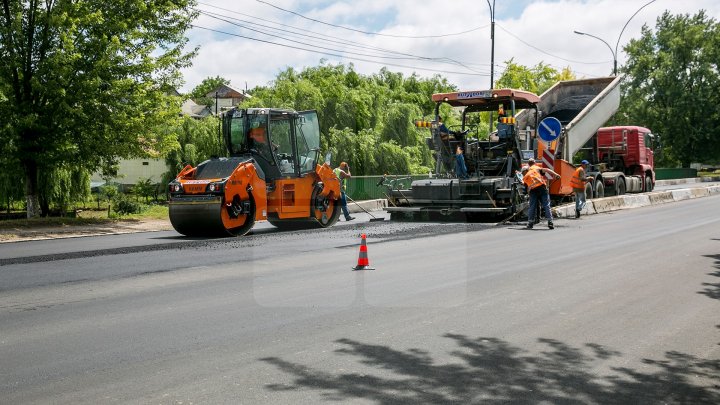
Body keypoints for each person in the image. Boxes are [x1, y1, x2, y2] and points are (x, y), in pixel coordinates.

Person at [522, 159, 560, 229]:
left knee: (532, 206)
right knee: (546, 205)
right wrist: (556, 174)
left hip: (533, 191)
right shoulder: (536, 168)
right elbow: (546, 170)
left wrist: (529, 194)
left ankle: (530, 223)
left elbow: (527, 188)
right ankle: (550, 222)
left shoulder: (525, 177)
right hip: (542, 188)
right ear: (534, 163)